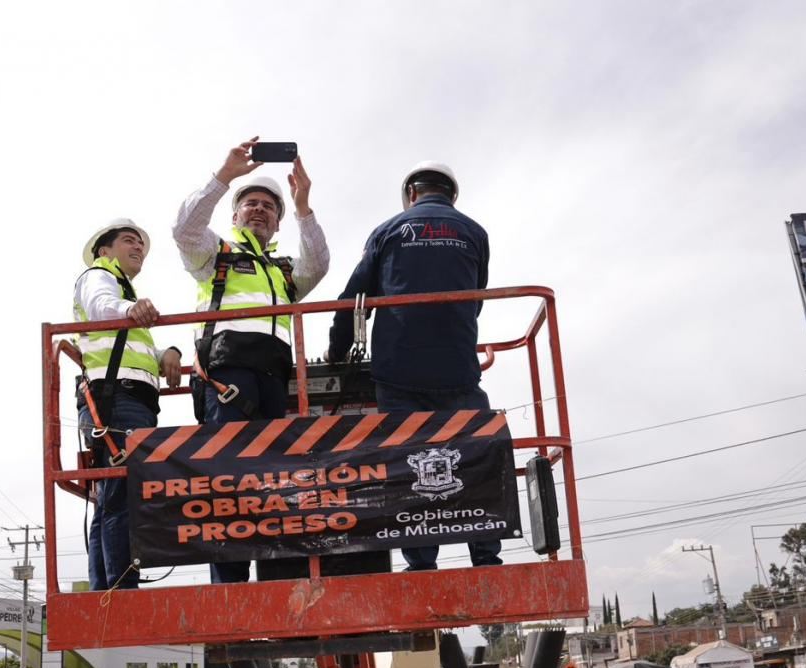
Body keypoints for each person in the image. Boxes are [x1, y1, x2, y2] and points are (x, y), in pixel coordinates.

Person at [326, 161, 498, 572]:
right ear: (451, 195)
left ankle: (421, 562)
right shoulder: (474, 232)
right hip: (458, 369)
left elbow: (352, 299)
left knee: (407, 461)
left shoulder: (388, 231)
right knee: (474, 455)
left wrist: (337, 352)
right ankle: (486, 557)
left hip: (398, 372)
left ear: (410, 194)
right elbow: (476, 298)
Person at [173, 137, 329, 584]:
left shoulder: (283, 272)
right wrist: (224, 176)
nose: (259, 210)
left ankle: (274, 585)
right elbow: (183, 230)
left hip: (274, 381)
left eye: (269, 207)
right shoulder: (213, 256)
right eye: (250, 204)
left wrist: (302, 208)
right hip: (228, 376)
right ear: (235, 215)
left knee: (271, 485)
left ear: (278, 224)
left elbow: (317, 265)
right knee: (227, 483)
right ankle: (230, 589)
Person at [73, 219, 183, 591]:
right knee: (122, 495)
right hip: (115, 399)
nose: (138, 247)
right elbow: (102, 307)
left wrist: (167, 351)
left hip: (123, 400)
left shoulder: (122, 293)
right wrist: (132, 307)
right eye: (128, 241)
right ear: (105, 250)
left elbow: (129, 344)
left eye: (141, 243)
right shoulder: (98, 276)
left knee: (112, 497)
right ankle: (120, 588)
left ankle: (107, 586)